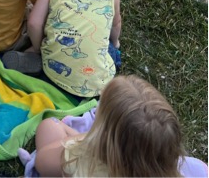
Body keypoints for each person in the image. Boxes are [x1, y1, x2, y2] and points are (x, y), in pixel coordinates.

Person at [33, 75, 206, 177]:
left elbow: (42, 162)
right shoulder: (197, 170)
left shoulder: (82, 162)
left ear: (103, 140)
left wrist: (88, 139)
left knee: (49, 127)